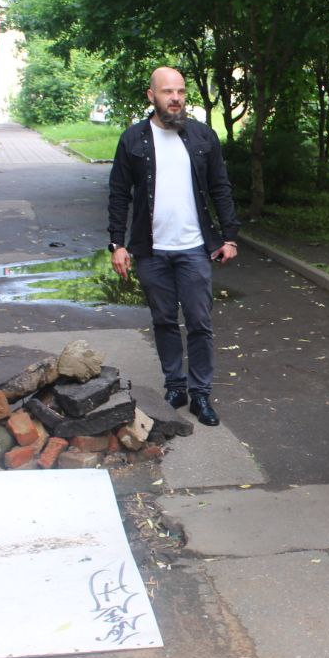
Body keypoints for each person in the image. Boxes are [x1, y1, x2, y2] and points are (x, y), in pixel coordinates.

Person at [107, 67, 240, 426]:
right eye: (167, 91)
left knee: (199, 321)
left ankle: (200, 394)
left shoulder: (201, 136)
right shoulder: (133, 140)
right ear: (151, 96)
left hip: (194, 248)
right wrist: (117, 243)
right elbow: (119, 193)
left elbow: (220, 187)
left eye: (181, 91)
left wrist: (229, 236)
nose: (176, 98)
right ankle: (175, 385)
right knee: (164, 320)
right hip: (151, 250)